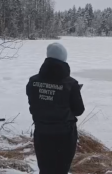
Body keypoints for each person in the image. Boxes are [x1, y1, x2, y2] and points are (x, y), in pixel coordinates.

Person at [26, 42, 85, 174]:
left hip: (41, 132)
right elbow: (79, 110)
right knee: (61, 170)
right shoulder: (71, 84)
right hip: (64, 135)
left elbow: (33, 106)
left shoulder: (33, 81)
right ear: (64, 59)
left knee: (45, 169)